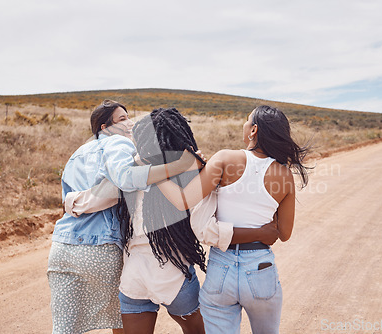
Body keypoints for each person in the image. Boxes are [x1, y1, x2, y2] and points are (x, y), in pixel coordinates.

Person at [63, 108, 280, 334]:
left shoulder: (131, 172)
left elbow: (94, 198)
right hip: (173, 274)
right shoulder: (191, 175)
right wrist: (256, 233)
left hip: (134, 277)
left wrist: (70, 201)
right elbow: (205, 227)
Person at [47, 100, 202, 334]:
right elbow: (125, 180)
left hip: (70, 249)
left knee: (64, 328)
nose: (129, 123)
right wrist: (183, 166)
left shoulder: (77, 155)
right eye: (122, 119)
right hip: (157, 266)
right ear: (103, 127)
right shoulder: (123, 149)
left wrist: (74, 201)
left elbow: (105, 190)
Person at [157, 105, 309, 334]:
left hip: (221, 268)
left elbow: (183, 201)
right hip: (260, 268)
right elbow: (284, 234)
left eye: (247, 120)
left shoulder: (226, 159)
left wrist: (155, 175)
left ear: (254, 130)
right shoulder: (285, 175)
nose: (244, 125)